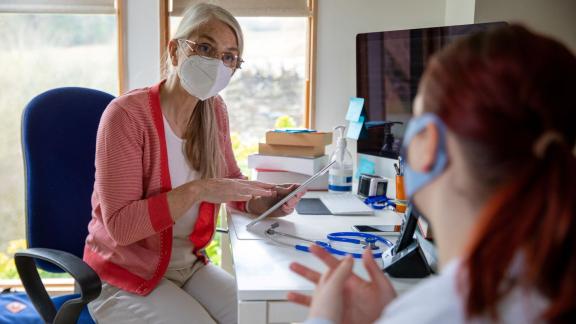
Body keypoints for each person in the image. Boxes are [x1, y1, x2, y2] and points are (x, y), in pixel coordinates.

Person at [288, 25, 576, 323]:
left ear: (429, 143)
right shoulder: (549, 289)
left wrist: (323, 319)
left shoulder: (441, 311)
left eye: (415, 116)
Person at [83, 3, 303, 323]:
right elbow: (121, 227)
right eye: (204, 48)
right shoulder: (126, 116)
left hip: (188, 267)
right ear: (175, 52)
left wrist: (267, 201)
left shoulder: (214, 112)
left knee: (263, 317)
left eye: (229, 56)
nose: (217, 63)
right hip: (122, 276)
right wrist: (199, 190)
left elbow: (229, 184)